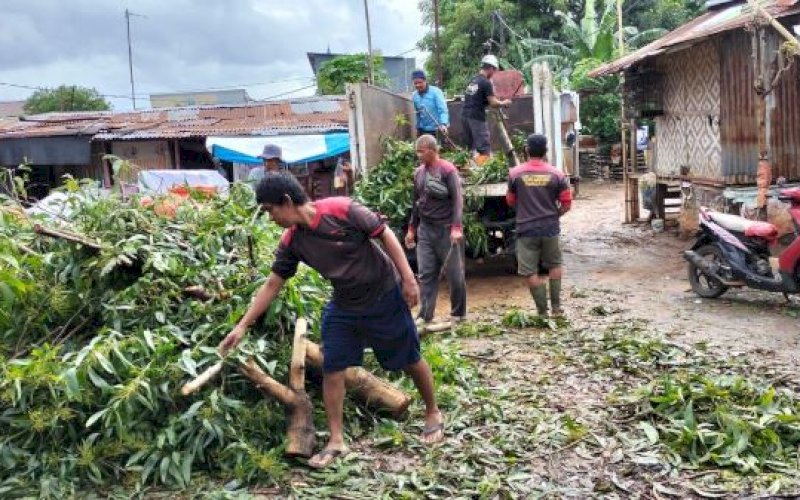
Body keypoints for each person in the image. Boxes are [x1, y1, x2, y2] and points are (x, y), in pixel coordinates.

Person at [219, 172, 444, 469]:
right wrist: (242, 325)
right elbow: (273, 283)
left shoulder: (342, 210)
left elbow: (385, 234)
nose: (270, 218)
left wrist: (408, 279)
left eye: (270, 210)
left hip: (383, 294)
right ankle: (337, 440)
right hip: (344, 304)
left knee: (408, 357)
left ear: (286, 202)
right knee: (333, 366)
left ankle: (432, 411)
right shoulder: (292, 241)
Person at [506, 134, 572, 317]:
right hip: (550, 227)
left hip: (526, 229)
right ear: (546, 151)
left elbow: (510, 201)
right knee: (555, 264)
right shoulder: (557, 174)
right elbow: (567, 203)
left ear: (527, 150)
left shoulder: (515, 174)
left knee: (530, 271)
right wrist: (554, 214)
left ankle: (542, 311)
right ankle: (557, 308)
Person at [405, 134, 466, 324]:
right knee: (426, 273)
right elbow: (416, 204)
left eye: (421, 152)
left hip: (446, 229)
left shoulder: (448, 171)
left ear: (432, 150)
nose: (419, 155)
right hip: (426, 230)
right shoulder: (419, 173)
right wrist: (412, 229)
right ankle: (425, 315)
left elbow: (457, 201)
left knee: (455, 275)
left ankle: (458, 314)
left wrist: (456, 227)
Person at [461, 54, 512, 165]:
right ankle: (484, 168)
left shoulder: (473, 80)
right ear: (491, 68)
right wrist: (504, 103)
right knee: (483, 147)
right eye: (494, 71)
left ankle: (473, 167)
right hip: (476, 118)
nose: (494, 74)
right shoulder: (485, 82)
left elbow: (478, 98)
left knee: (472, 147)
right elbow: (493, 103)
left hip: (465, 116)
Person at [412, 70, 449, 139]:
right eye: (415, 83)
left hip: (437, 129)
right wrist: (417, 128)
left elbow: (443, 110)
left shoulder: (436, 92)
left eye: (420, 82)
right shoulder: (414, 95)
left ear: (425, 80)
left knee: (436, 148)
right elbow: (418, 114)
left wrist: (443, 124)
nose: (417, 85)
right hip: (423, 130)